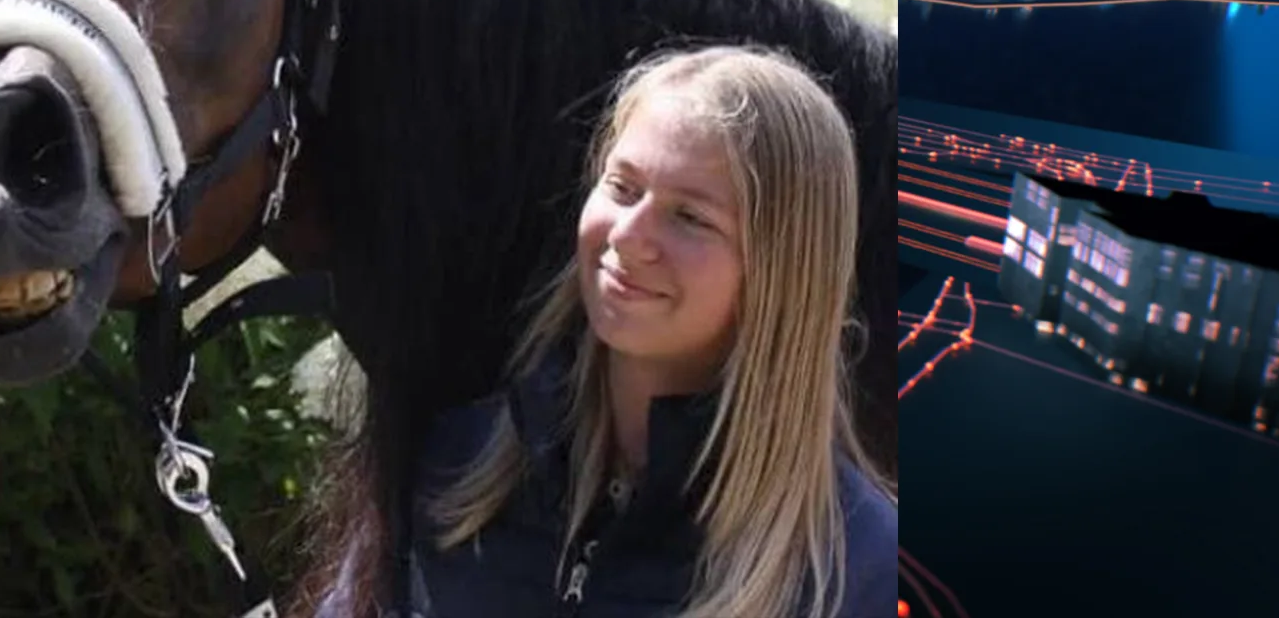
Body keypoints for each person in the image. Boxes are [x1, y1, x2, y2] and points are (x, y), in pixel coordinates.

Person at [321, 45, 895, 617]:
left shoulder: (858, 572)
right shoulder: (451, 463)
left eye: (689, 216)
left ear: (784, 269)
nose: (627, 236)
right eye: (622, 187)